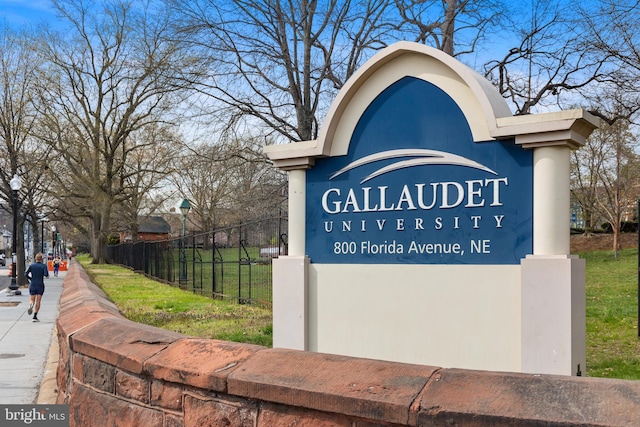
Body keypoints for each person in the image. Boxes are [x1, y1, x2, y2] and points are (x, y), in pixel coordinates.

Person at [25, 253, 49, 322]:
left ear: (35, 259)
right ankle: (35, 316)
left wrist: (30, 278)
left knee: (32, 299)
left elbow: (25, 274)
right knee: (38, 300)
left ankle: (31, 304)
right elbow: (46, 274)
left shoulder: (31, 266)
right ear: (41, 259)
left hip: (33, 283)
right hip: (40, 284)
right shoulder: (43, 266)